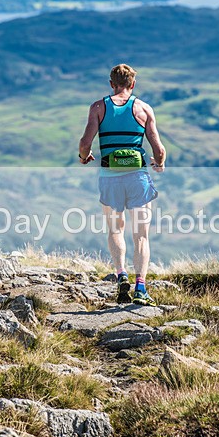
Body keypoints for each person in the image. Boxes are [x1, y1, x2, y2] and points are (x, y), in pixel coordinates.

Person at [78, 64, 167, 306]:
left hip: (110, 177)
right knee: (141, 236)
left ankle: (121, 276)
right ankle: (141, 288)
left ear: (111, 84)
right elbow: (159, 149)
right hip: (137, 178)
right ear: (133, 84)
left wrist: (84, 157)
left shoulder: (98, 107)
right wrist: (159, 163)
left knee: (115, 230)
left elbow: (85, 143)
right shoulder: (143, 109)